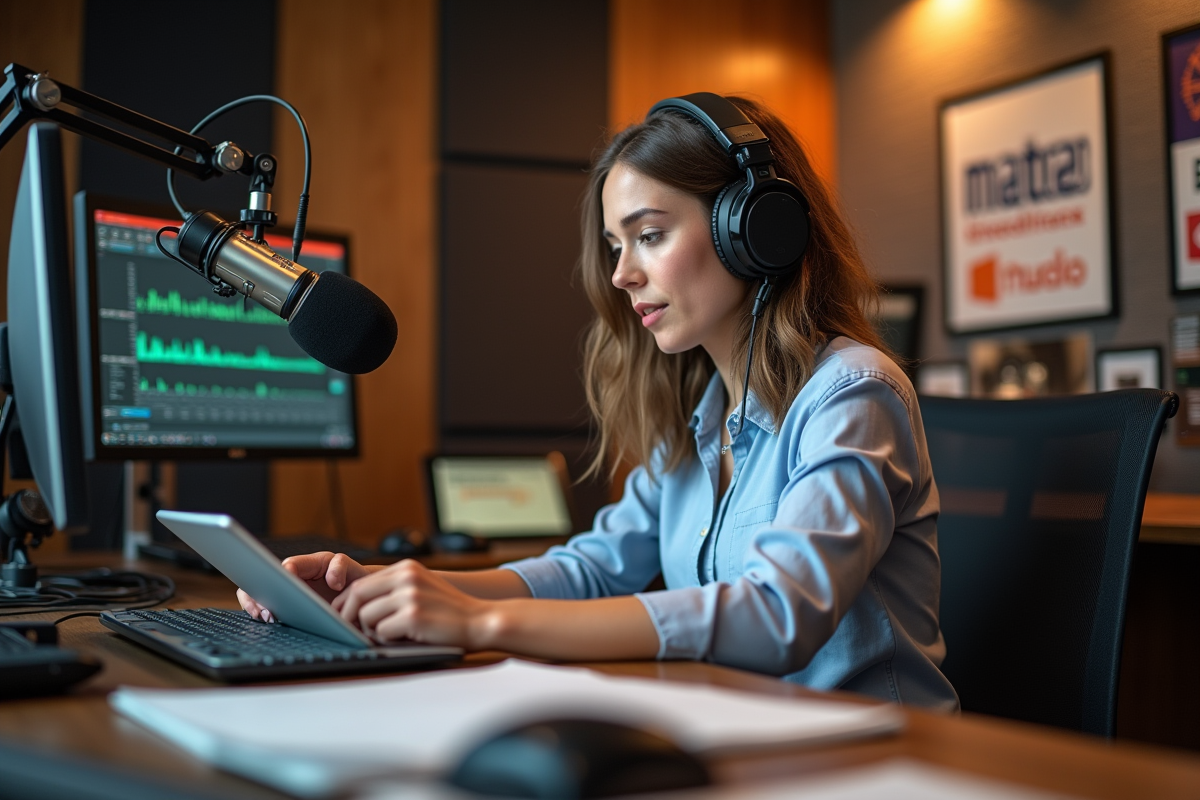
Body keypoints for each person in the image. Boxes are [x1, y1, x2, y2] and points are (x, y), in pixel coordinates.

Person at [240, 94, 959, 711]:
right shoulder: (697, 415)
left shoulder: (852, 393)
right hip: (751, 735)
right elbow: (592, 570)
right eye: (616, 245)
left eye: (648, 236)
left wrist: (481, 625)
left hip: (879, 759)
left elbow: (777, 615)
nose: (621, 273)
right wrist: (405, 587)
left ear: (754, 230)